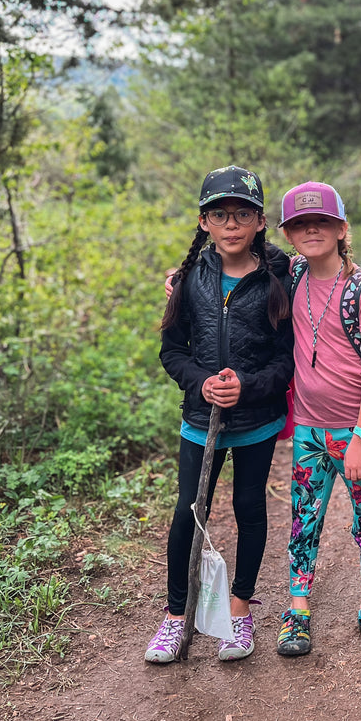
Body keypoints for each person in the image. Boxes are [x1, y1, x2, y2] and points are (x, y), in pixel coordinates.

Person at [147, 165, 294, 663]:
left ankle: (239, 613)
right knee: (189, 511)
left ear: (259, 221)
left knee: (250, 511)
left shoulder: (280, 279)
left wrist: (247, 387)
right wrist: (201, 382)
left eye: (243, 214)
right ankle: (174, 616)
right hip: (198, 420)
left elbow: (286, 359)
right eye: (220, 214)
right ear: (204, 221)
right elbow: (173, 352)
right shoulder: (189, 279)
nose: (231, 224)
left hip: (257, 422)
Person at [274, 181, 361, 658]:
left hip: (357, 429)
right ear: (288, 234)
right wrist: (178, 279)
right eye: (301, 224)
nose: (312, 230)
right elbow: (234, 261)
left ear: (342, 228)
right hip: (308, 429)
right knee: (304, 519)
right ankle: (298, 608)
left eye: (322, 221)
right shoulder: (292, 277)